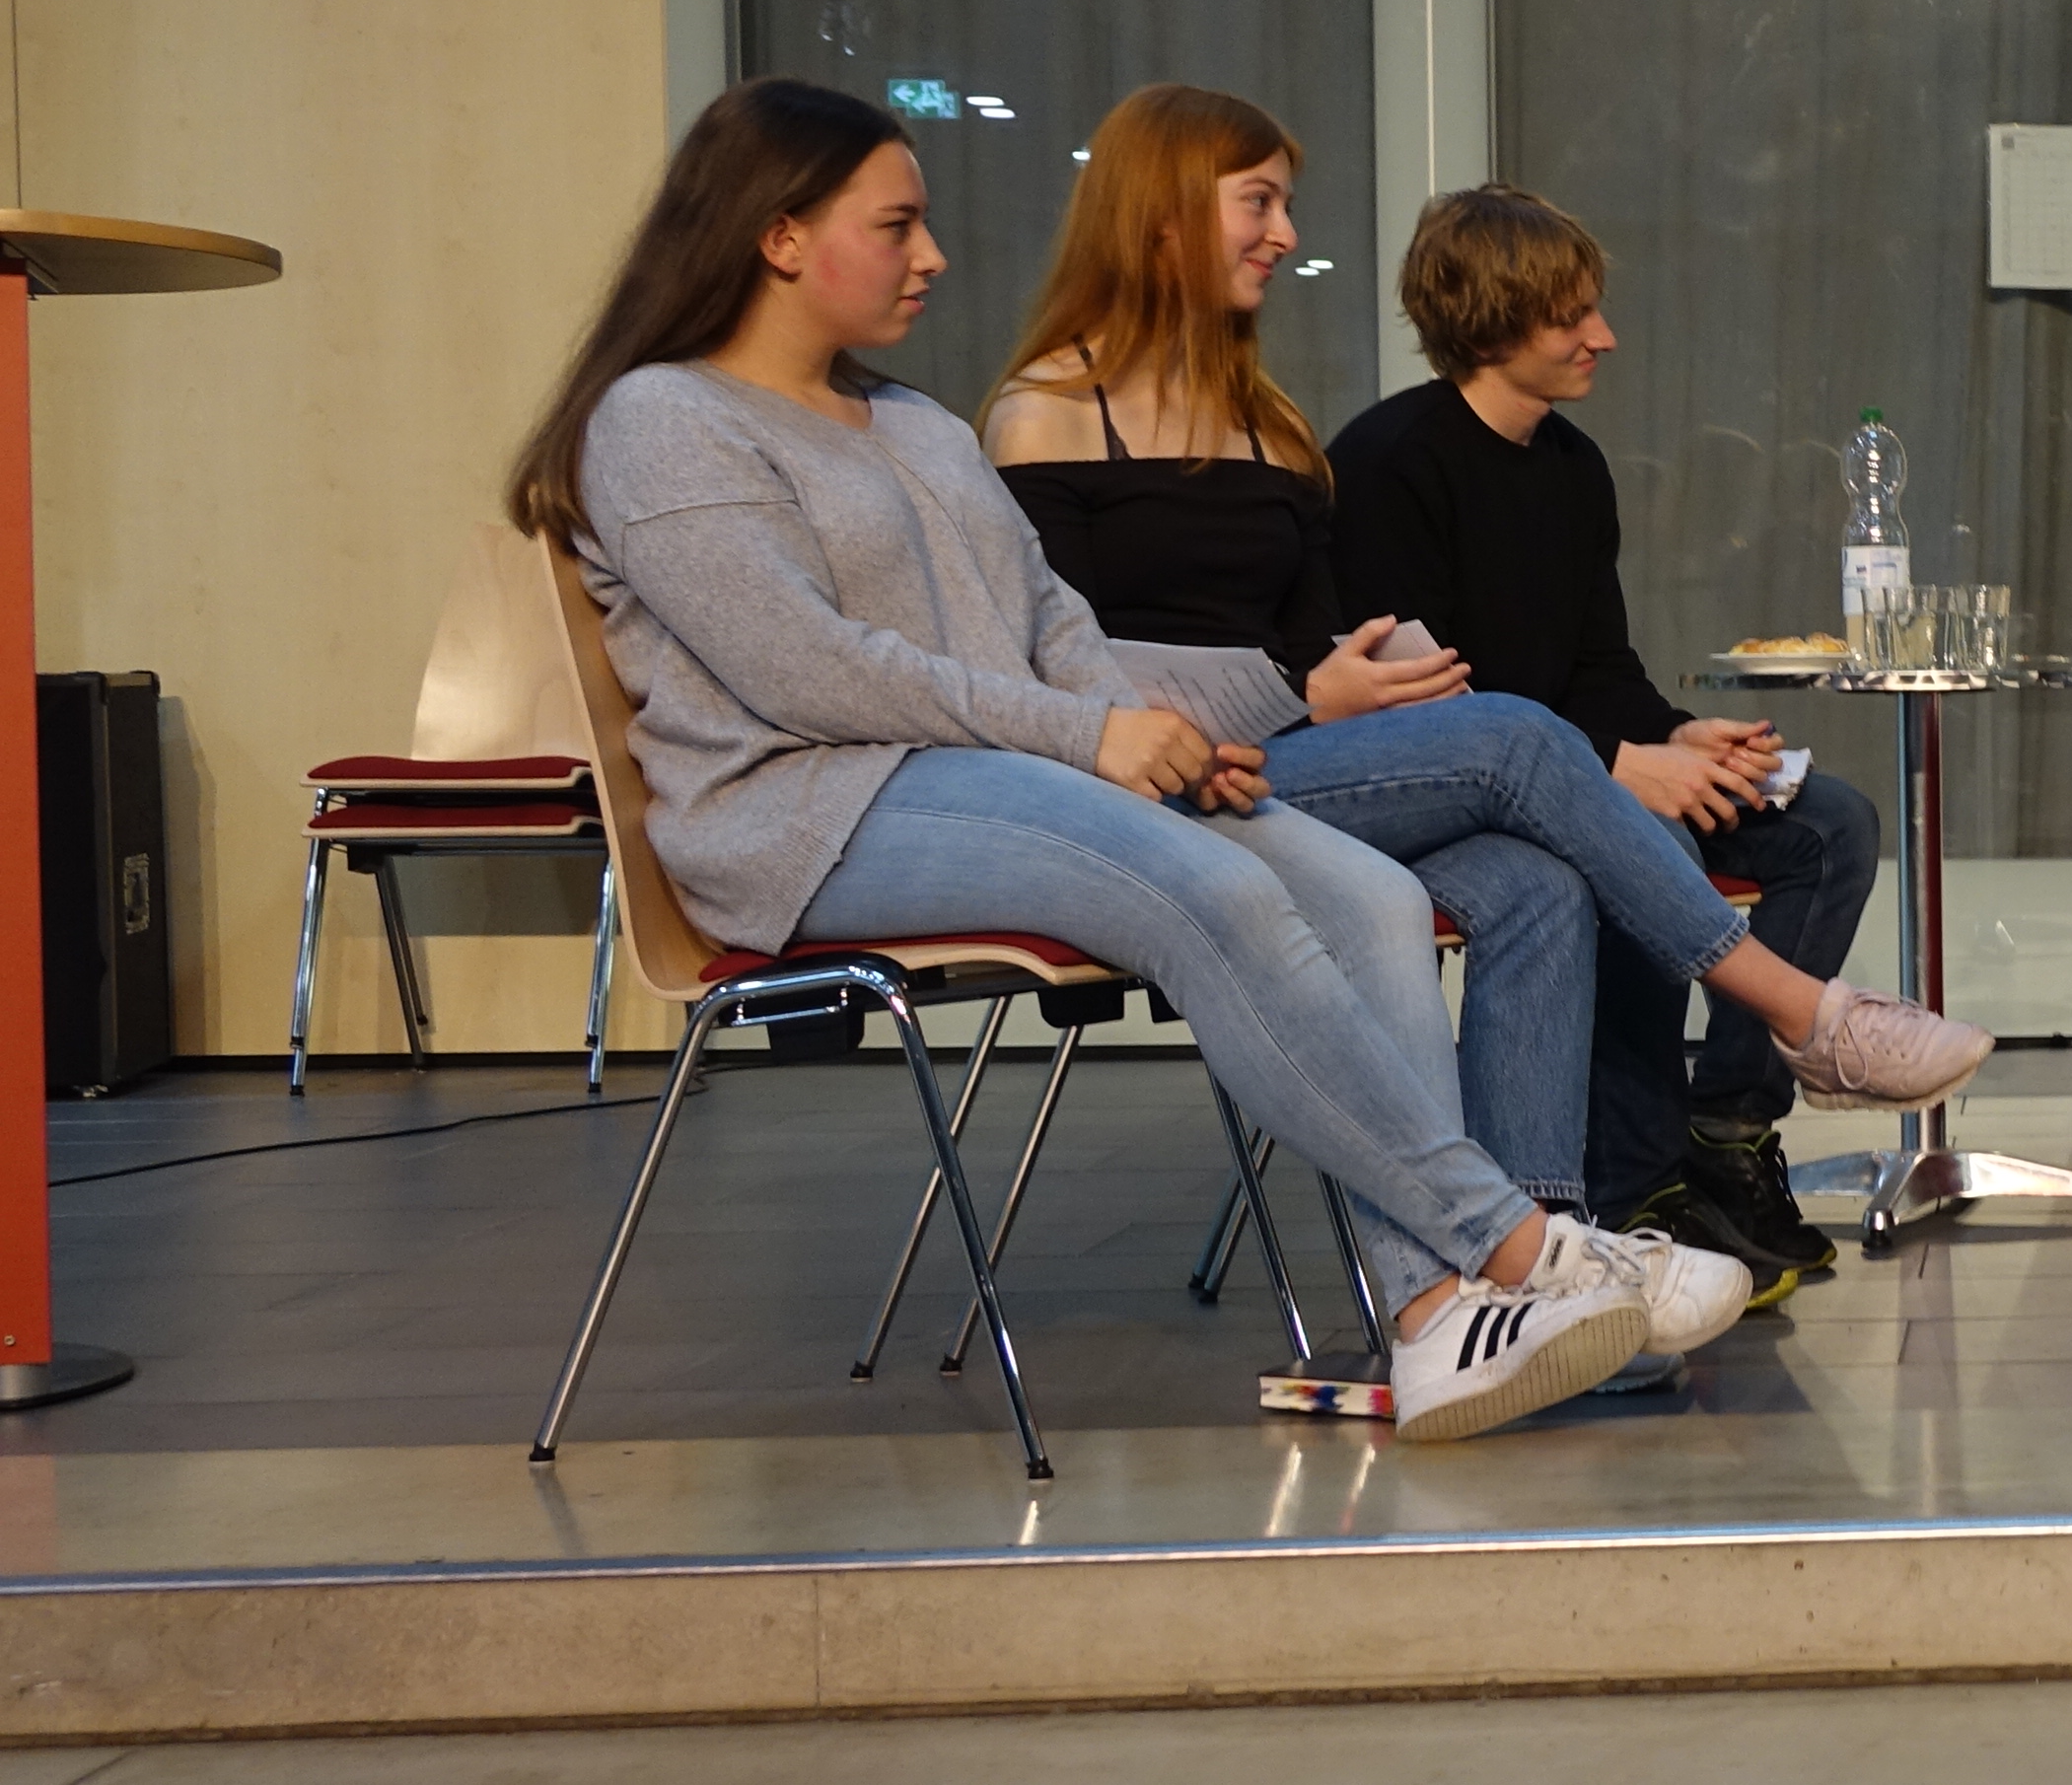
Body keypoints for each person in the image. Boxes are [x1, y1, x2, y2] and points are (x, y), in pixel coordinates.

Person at [512, 79, 1744, 1441]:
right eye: (898, 224)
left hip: (982, 775)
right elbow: (806, 670)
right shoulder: (663, 419)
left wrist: (1157, 745)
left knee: (1371, 895)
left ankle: (1436, 1320)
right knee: (1212, 888)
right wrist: (1095, 738)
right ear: (780, 235)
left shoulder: (912, 420)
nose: (933, 255)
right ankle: (1519, 1250)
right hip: (809, 813)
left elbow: (1051, 618)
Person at [986, 98, 1964, 1302]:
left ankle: (1550, 1265)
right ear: (1162, 214)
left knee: (1558, 877)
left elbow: (1340, 641)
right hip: (1161, 785)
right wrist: (1326, 691)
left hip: (1306, 763)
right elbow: (1059, 659)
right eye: (1261, 202)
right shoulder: (1052, 415)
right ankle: (1788, 1026)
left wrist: (1661, 734)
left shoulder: (1272, 425)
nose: (1288, 233)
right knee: (1530, 749)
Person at [1324, 186, 1919, 1259]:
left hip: (1588, 755)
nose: (1604, 337)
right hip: (1468, 796)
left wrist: (1679, 738)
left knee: (1831, 824)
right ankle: (1636, 1179)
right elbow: (1435, 708)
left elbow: (1598, 665)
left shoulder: (1572, 464)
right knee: (1658, 841)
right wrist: (1621, 765)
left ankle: (1727, 1130)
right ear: (1491, 320)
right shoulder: (1390, 463)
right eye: (1572, 317)